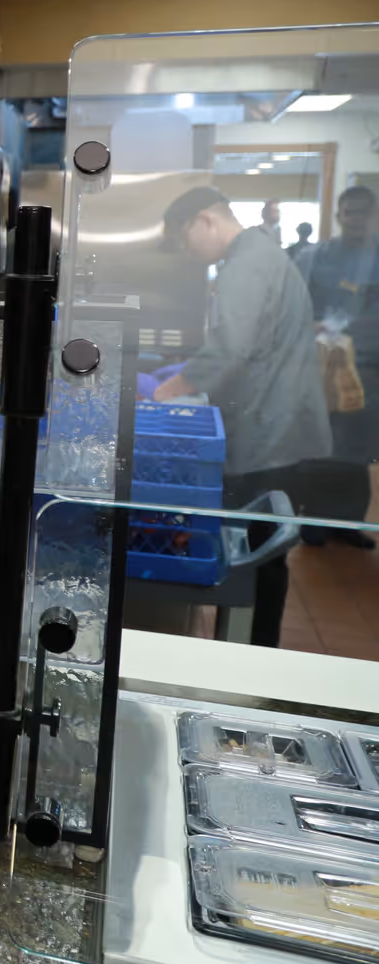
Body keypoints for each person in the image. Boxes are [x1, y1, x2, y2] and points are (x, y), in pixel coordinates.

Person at [153, 186, 337, 646]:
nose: (189, 253)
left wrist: (172, 387)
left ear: (206, 220)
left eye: (185, 240)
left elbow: (231, 348)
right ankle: (254, 647)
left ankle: (254, 653)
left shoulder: (246, 264)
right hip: (278, 424)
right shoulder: (259, 255)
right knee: (263, 553)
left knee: (258, 556)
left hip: (271, 433)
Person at [306, 186, 379, 521]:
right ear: (339, 216)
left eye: (364, 212)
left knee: (359, 448)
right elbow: (300, 302)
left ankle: (349, 525)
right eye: (350, 212)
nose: (356, 219)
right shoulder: (319, 257)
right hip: (322, 365)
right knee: (322, 443)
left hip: (368, 368)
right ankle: (315, 522)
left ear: (373, 215)